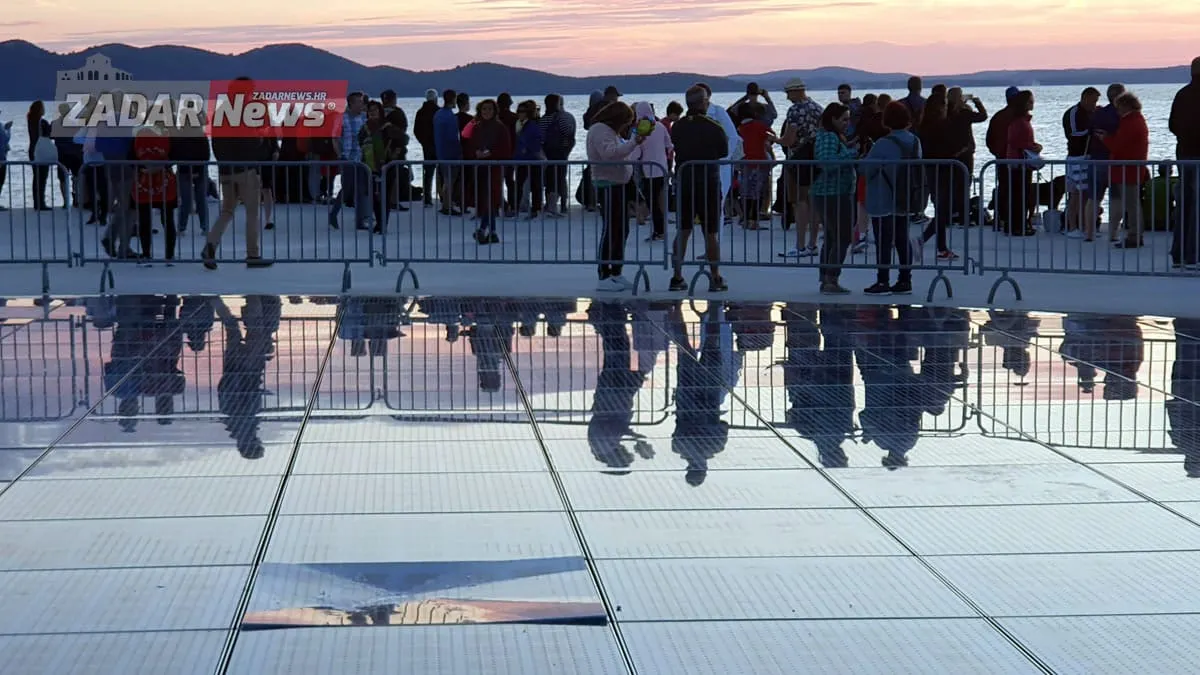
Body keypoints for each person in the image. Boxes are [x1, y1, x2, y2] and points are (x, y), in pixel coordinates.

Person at [201, 77, 273, 270]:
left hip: (226, 169)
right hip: (246, 170)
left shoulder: (221, 111)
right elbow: (253, 141)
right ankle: (252, 254)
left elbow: (216, 142)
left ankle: (210, 245)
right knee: (252, 212)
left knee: (227, 210)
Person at [668, 86, 729, 293]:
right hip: (708, 182)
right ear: (703, 102)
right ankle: (715, 276)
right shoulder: (713, 126)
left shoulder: (678, 126)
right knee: (710, 232)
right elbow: (723, 151)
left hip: (685, 181)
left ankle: (677, 276)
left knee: (683, 230)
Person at [863, 101, 923, 296]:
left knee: (883, 240)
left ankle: (883, 281)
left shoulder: (883, 144)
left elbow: (866, 169)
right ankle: (905, 279)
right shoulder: (915, 141)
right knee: (902, 238)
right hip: (905, 196)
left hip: (883, 196)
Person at [586, 101, 645, 291]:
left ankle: (616, 271)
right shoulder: (600, 130)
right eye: (627, 121)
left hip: (619, 183)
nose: (627, 125)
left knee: (622, 229)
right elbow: (609, 154)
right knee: (611, 229)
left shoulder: (612, 132)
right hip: (607, 184)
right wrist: (633, 143)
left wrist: (633, 143)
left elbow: (621, 153)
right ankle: (604, 274)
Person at [811, 102, 859, 294]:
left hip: (832, 192)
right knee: (843, 237)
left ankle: (826, 278)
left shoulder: (830, 136)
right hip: (832, 192)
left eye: (848, 119)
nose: (847, 123)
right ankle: (831, 278)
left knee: (832, 237)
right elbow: (826, 162)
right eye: (844, 119)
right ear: (833, 119)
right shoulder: (829, 137)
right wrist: (852, 154)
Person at [776, 78, 824, 258]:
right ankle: (812, 244)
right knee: (813, 202)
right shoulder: (818, 108)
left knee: (799, 201)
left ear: (796, 91)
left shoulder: (795, 110)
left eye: (788, 93)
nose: (787, 97)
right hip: (816, 158)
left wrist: (774, 139)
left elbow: (789, 140)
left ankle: (800, 245)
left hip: (798, 159)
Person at [1099, 91, 1150, 249]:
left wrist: (1105, 139)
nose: (1117, 110)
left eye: (1119, 107)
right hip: (1131, 168)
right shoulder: (1137, 120)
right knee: (1133, 203)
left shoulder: (1130, 122)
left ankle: (1134, 235)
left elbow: (1119, 146)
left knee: (1131, 204)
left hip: (1127, 170)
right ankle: (1136, 234)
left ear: (1126, 106)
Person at [462, 98, 513, 244]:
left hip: (495, 167)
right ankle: (491, 231)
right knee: (486, 200)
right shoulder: (476, 126)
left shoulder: (500, 127)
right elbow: (468, 142)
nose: (487, 112)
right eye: (484, 109)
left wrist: (491, 153)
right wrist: (476, 153)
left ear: (494, 111)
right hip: (481, 167)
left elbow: (506, 148)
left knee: (491, 199)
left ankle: (484, 229)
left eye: (490, 109)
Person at [915, 92, 959, 259]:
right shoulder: (941, 125)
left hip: (932, 169)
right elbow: (948, 145)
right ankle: (923, 239)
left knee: (942, 209)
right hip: (942, 169)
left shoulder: (924, 125)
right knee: (944, 210)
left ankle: (941, 246)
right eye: (945, 105)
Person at [694, 82, 742, 225]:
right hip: (702, 165)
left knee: (717, 203)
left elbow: (733, 137)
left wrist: (724, 157)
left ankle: (717, 235)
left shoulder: (718, 112)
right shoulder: (694, 115)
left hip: (721, 165)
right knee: (706, 204)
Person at [358, 99, 407, 234]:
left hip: (387, 166)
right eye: (370, 110)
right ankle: (379, 223)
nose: (372, 113)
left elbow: (403, 139)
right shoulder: (365, 128)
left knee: (384, 196)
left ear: (380, 111)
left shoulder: (387, 127)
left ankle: (383, 224)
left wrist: (395, 154)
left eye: (375, 110)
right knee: (374, 196)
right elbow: (360, 141)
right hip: (369, 165)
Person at [132, 123, 178, 264]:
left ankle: (146, 254)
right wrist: (160, 166)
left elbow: (131, 158)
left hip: (143, 183)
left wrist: (143, 167)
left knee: (145, 221)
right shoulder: (168, 138)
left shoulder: (139, 137)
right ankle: (169, 255)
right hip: (165, 183)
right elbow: (175, 157)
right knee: (168, 220)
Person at [1170, 56, 1200, 270]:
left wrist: (1185, 137)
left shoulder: (1182, 94)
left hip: (1184, 154)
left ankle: (1179, 253)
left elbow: (1173, 124)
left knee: (1185, 203)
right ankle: (1194, 255)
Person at [327, 92, 370, 230]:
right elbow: (334, 137)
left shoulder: (364, 117)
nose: (361, 104)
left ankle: (360, 220)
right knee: (347, 187)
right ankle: (333, 214)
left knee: (361, 188)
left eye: (362, 101)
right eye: (359, 102)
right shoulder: (341, 118)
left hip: (362, 158)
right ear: (351, 103)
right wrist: (340, 155)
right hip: (348, 158)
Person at [1062, 87, 1101, 238]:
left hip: (1088, 157)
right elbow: (1072, 133)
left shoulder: (1093, 113)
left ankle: (1085, 227)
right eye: (1093, 101)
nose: (1094, 104)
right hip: (1076, 157)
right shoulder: (1073, 113)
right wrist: (1090, 131)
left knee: (1085, 194)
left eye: (1096, 102)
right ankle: (1072, 227)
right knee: (1076, 194)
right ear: (1085, 98)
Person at [631, 101, 672, 241]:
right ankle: (661, 230)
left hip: (648, 171)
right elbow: (669, 144)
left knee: (652, 202)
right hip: (662, 168)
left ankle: (659, 231)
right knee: (659, 201)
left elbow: (636, 152)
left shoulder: (640, 128)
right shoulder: (660, 125)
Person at [171, 101, 212, 235]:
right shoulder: (195, 135)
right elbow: (204, 155)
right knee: (194, 200)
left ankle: (190, 227)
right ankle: (199, 227)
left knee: (194, 200)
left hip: (192, 170)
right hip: (189, 170)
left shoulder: (191, 136)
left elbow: (204, 155)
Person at [946, 87, 986, 221]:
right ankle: (962, 212)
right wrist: (977, 102)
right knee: (964, 183)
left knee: (952, 184)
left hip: (951, 152)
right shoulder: (964, 113)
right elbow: (983, 116)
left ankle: (953, 211)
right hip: (965, 152)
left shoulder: (945, 113)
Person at [1004, 90, 1040, 237]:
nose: (1033, 103)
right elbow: (1014, 141)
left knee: (1020, 195)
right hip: (1018, 163)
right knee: (1019, 196)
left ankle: (1017, 224)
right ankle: (1017, 226)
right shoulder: (1018, 122)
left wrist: (1032, 145)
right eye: (1030, 101)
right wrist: (1032, 147)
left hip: (1021, 162)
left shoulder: (1022, 121)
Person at [1092, 83, 1126, 236]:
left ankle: (1090, 231)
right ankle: (1113, 232)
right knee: (1116, 197)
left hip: (1097, 158)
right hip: (1115, 159)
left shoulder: (1099, 113)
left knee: (1094, 198)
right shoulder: (1122, 116)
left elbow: (1092, 131)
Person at [985, 86, 1020, 231]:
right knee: (1015, 190)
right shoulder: (1017, 117)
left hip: (1001, 158)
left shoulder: (998, 116)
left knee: (1004, 188)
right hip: (1015, 159)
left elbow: (989, 139)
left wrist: (997, 153)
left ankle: (1002, 218)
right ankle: (1012, 221)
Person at [736, 101, 775, 228]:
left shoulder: (739, 129)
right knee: (757, 192)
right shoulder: (760, 126)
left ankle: (746, 219)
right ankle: (754, 220)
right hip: (760, 162)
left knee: (746, 192)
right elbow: (772, 136)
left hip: (745, 162)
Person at [539, 93, 577, 217]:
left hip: (547, 152)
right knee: (561, 177)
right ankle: (562, 205)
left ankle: (550, 204)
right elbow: (568, 132)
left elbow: (541, 137)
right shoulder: (562, 117)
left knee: (549, 179)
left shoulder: (543, 119)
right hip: (561, 152)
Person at [513, 99, 546, 218]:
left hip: (533, 158)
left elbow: (538, 139)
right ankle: (516, 207)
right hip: (520, 159)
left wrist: (528, 149)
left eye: (522, 111)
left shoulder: (533, 125)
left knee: (535, 184)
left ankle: (536, 209)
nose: (520, 113)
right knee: (519, 184)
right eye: (518, 111)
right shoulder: (517, 124)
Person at [433, 89, 463, 215]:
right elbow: (453, 138)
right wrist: (459, 152)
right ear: (453, 99)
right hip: (450, 153)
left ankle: (445, 204)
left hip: (440, 151)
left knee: (445, 179)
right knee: (450, 180)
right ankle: (448, 205)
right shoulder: (450, 117)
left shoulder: (438, 114)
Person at [413, 89, 440, 208]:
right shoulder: (438, 111)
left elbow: (416, 130)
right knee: (442, 172)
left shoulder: (420, 112)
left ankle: (427, 198)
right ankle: (444, 197)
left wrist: (423, 142)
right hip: (439, 146)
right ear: (436, 98)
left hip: (427, 147)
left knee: (428, 173)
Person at [496, 93, 519, 215]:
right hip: (511, 154)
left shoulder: (495, 118)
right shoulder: (515, 118)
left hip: (497, 154)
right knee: (510, 180)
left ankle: (501, 204)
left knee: (497, 181)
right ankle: (512, 205)